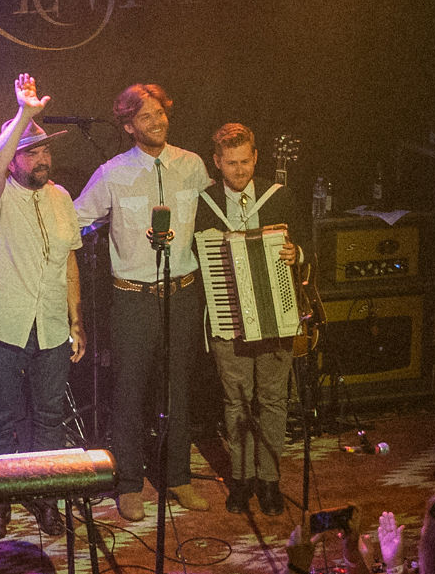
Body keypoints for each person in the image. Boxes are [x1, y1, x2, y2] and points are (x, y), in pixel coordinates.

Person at [73, 82, 212, 521]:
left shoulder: (192, 166)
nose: (158, 122)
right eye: (146, 117)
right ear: (129, 125)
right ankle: (129, 483)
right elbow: (73, 222)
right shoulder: (112, 172)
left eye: (161, 113)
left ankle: (179, 478)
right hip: (132, 298)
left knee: (179, 389)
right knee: (129, 393)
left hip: (183, 294)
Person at [0, 75, 86, 539]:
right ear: (13, 155)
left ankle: (46, 499)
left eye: (45, 151)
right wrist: (24, 115)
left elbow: (69, 262)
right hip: (2, 322)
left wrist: (77, 321)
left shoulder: (61, 197)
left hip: (52, 326)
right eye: (31, 151)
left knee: (50, 421)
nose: (42, 159)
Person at [192, 122, 305, 517]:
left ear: (256, 157)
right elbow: (199, 265)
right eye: (231, 163)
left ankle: (270, 481)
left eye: (245, 162)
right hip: (228, 320)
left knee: (274, 400)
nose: (239, 171)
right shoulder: (205, 204)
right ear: (217, 162)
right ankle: (241, 480)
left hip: (276, 318)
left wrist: (297, 255)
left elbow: (306, 248)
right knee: (236, 402)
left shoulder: (281, 198)